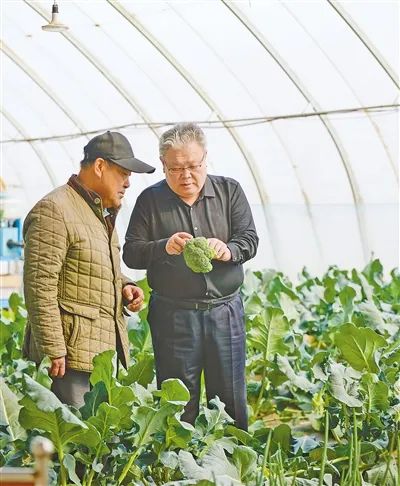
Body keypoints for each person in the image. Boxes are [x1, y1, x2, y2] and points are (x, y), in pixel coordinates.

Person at [123, 123, 258, 430]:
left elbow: (249, 239)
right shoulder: (150, 201)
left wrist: (229, 250)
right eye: (175, 168)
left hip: (225, 313)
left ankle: (230, 469)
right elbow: (131, 252)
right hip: (174, 317)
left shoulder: (229, 191)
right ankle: (181, 469)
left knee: (230, 400)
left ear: (205, 159)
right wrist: (163, 247)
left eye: (193, 166)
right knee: (178, 403)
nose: (186, 176)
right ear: (163, 166)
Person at [22, 131, 155, 408]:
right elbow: (40, 286)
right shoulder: (54, 210)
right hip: (68, 358)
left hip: (96, 353)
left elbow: (89, 268)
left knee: (95, 446)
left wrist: (124, 285)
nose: (128, 183)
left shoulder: (98, 213)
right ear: (99, 166)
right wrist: (53, 350)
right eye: (124, 173)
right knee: (75, 444)